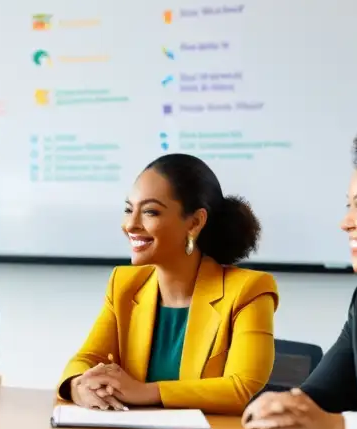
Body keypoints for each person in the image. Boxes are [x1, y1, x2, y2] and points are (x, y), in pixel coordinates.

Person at [58, 153, 278, 415]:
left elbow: (240, 387)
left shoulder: (248, 290)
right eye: (129, 209)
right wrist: (78, 386)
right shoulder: (124, 284)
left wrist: (144, 391)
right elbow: (85, 359)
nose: (131, 224)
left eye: (150, 211)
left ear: (195, 222)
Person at [244, 117, 357, 429]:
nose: (346, 223)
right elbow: (324, 393)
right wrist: (285, 408)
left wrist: (338, 426)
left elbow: (331, 421)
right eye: (349, 206)